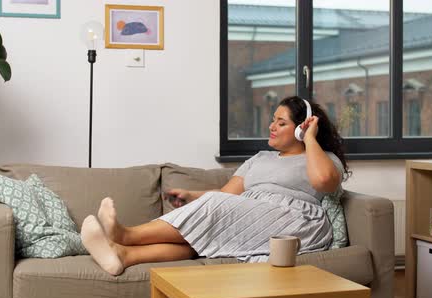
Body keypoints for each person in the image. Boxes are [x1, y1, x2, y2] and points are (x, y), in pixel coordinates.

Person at [80, 96, 350, 275]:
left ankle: (125, 235)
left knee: (213, 209)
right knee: (195, 243)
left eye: (282, 123)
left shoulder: (324, 158)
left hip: (297, 223)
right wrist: (191, 195)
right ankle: (122, 256)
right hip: (253, 214)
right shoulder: (260, 159)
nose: (272, 126)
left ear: (302, 127)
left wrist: (311, 138)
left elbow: (324, 182)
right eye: (273, 120)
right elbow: (225, 196)